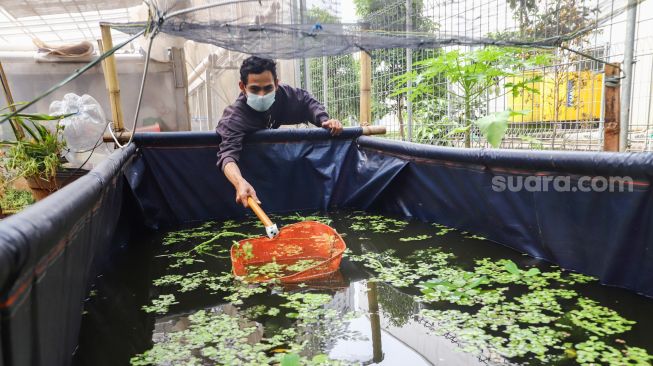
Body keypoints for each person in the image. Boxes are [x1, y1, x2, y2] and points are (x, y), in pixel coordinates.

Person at [216, 56, 343, 208]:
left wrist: (324, 120)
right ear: (242, 87)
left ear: (276, 84)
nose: (262, 95)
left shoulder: (284, 95)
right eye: (255, 89)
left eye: (268, 88)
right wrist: (239, 182)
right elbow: (227, 156)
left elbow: (306, 101)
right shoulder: (234, 118)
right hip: (253, 175)